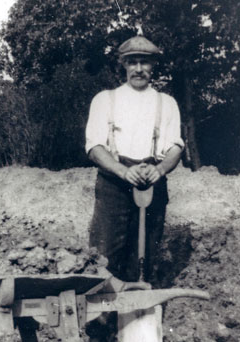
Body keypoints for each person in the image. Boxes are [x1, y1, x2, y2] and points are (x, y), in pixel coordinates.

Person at [85, 35, 184, 286]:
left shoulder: (167, 103)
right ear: (123, 65)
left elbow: (175, 147)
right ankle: (102, 322)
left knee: (146, 256)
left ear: (153, 66)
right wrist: (122, 171)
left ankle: (138, 317)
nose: (138, 69)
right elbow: (95, 147)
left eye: (145, 63)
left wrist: (159, 170)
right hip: (113, 186)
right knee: (104, 256)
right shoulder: (105, 100)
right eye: (132, 62)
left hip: (152, 181)